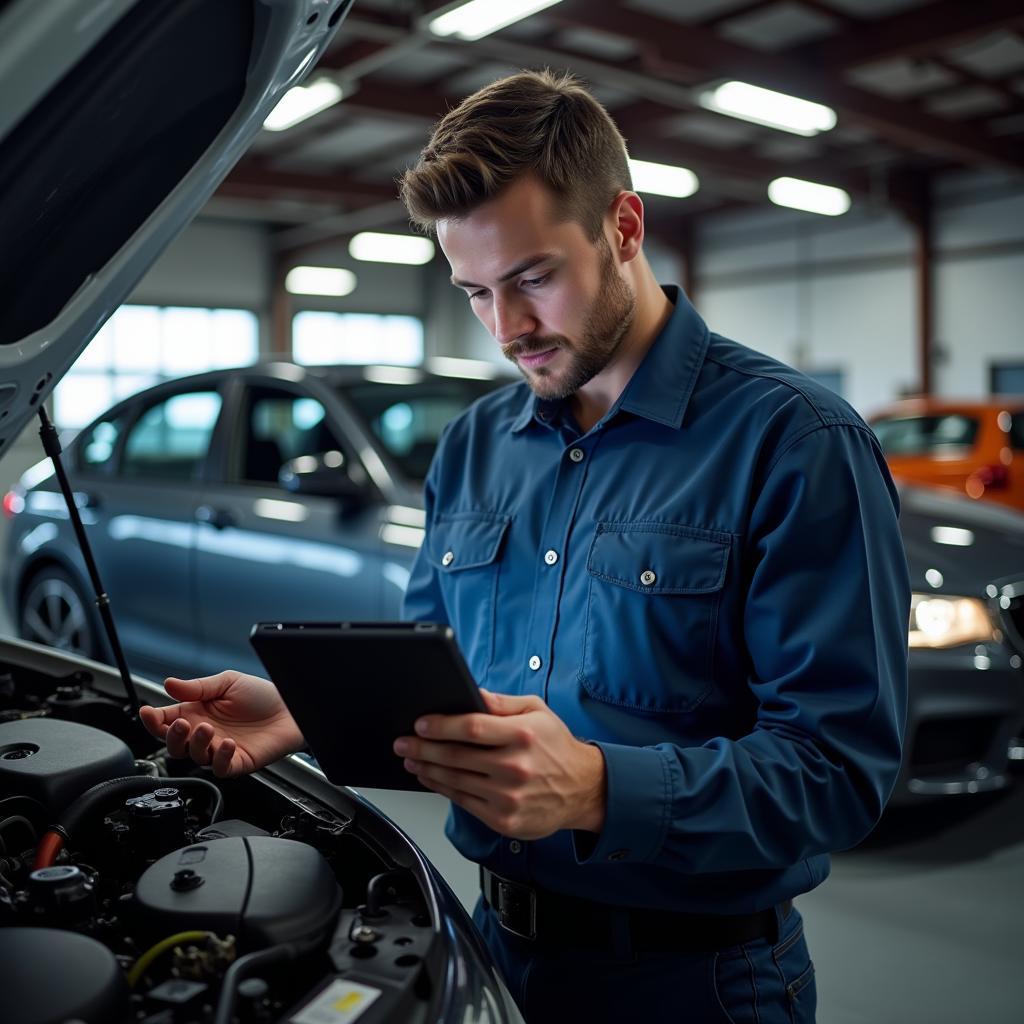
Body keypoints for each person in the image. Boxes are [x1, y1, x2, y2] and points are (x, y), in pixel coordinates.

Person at [141, 70, 909, 1024]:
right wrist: (309, 708)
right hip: (483, 947)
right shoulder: (475, 446)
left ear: (623, 226)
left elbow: (839, 772)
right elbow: (442, 679)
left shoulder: (793, 443)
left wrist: (597, 787)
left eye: (533, 279)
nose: (508, 329)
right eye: (474, 293)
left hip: (695, 985)